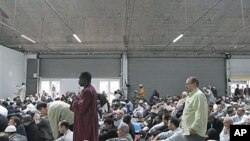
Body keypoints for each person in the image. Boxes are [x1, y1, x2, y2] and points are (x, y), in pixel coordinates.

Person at [70, 72, 98, 141]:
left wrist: (74, 99)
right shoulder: (90, 89)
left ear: (85, 79)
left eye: (80, 79)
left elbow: (80, 108)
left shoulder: (87, 91)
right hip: (88, 120)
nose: (78, 81)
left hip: (85, 123)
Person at [181, 76, 208, 141]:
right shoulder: (190, 96)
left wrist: (194, 127)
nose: (186, 86)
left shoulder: (198, 95)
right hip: (188, 131)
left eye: (188, 84)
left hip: (194, 132)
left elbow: (200, 114)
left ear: (194, 84)